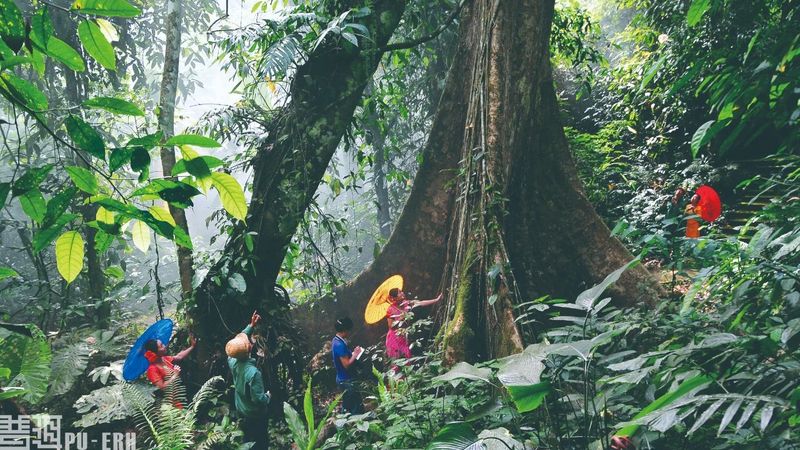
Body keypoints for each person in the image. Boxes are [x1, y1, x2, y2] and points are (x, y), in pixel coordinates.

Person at [227, 311, 271, 450]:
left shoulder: (232, 361)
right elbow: (258, 399)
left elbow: (236, 345)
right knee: (261, 440)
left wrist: (251, 325)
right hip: (255, 414)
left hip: (242, 409)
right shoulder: (253, 373)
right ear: (249, 348)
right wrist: (268, 397)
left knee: (248, 439)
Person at [385, 288, 443, 360]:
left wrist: (436, 300)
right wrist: (401, 317)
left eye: (402, 291)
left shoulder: (407, 303)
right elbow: (391, 326)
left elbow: (421, 303)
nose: (402, 293)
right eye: (399, 292)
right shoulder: (390, 309)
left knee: (407, 357)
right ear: (394, 298)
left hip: (404, 335)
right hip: (394, 337)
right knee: (396, 359)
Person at [331, 317, 364, 414]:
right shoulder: (339, 345)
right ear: (345, 330)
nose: (349, 333)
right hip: (347, 380)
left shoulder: (336, 340)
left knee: (347, 405)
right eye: (348, 330)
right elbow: (346, 364)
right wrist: (355, 354)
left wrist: (352, 353)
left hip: (342, 378)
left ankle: (344, 426)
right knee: (355, 407)